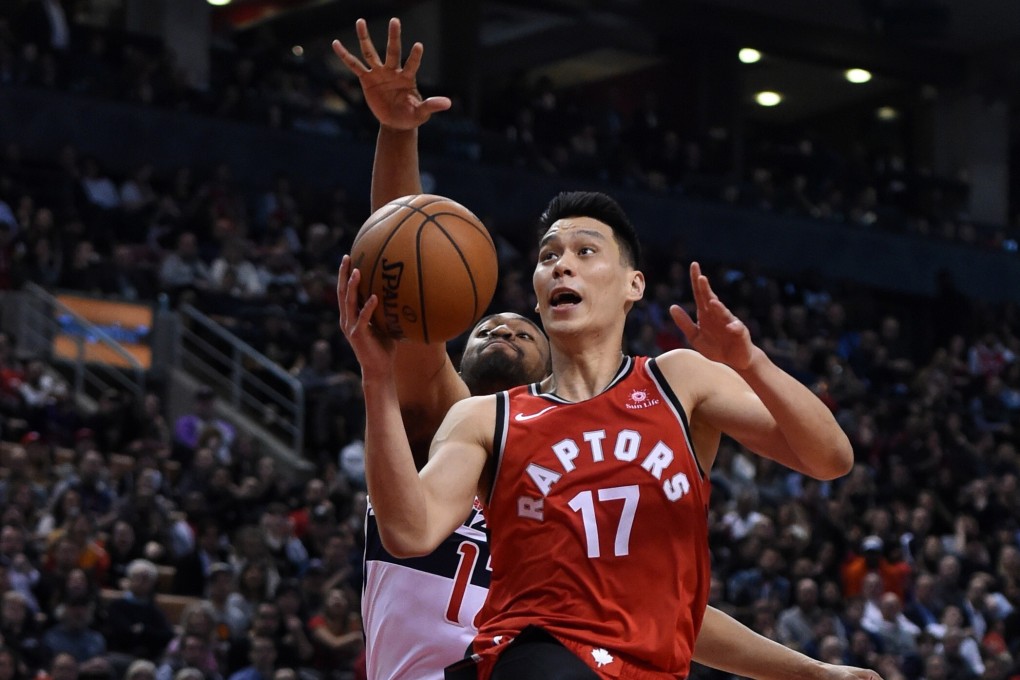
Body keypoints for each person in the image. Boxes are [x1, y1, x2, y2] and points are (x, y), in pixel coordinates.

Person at [334, 16, 882, 680]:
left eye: (518, 331)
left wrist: (815, 673)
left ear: (631, 285)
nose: (506, 331)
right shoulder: (469, 420)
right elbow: (402, 273)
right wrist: (398, 134)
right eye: (489, 327)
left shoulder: (668, 392)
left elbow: (668, 608)